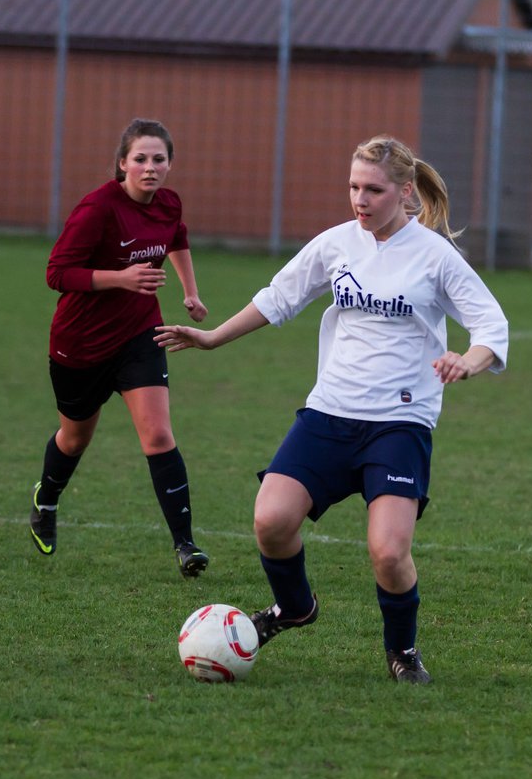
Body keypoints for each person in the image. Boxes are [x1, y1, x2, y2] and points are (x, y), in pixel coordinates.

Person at [156, 135, 509, 684]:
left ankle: (402, 651)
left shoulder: (435, 256)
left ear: (405, 193)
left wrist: (470, 359)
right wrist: (211, 339)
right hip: (329, 412)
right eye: (353, 187)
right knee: (270, 520)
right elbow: (279, 297)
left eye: (373, 189)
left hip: (399, 422)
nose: (359, 200)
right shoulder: (338, 243)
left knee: (388, 553)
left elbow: (492, 326)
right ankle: (295, 607)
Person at [30, 118, 211, 578]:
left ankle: (186, 546)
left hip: (138, 334)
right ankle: (46, 501)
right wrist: (121, 278)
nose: (150, 168)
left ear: (169, 164)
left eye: (159, 159)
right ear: (122, 163)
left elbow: (178, 237)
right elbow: (56, 273)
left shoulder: (168, 204)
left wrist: (190, 292)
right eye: (140, 159)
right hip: (80, 344)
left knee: (158, 435)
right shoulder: (97, 209)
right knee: (74, 438)